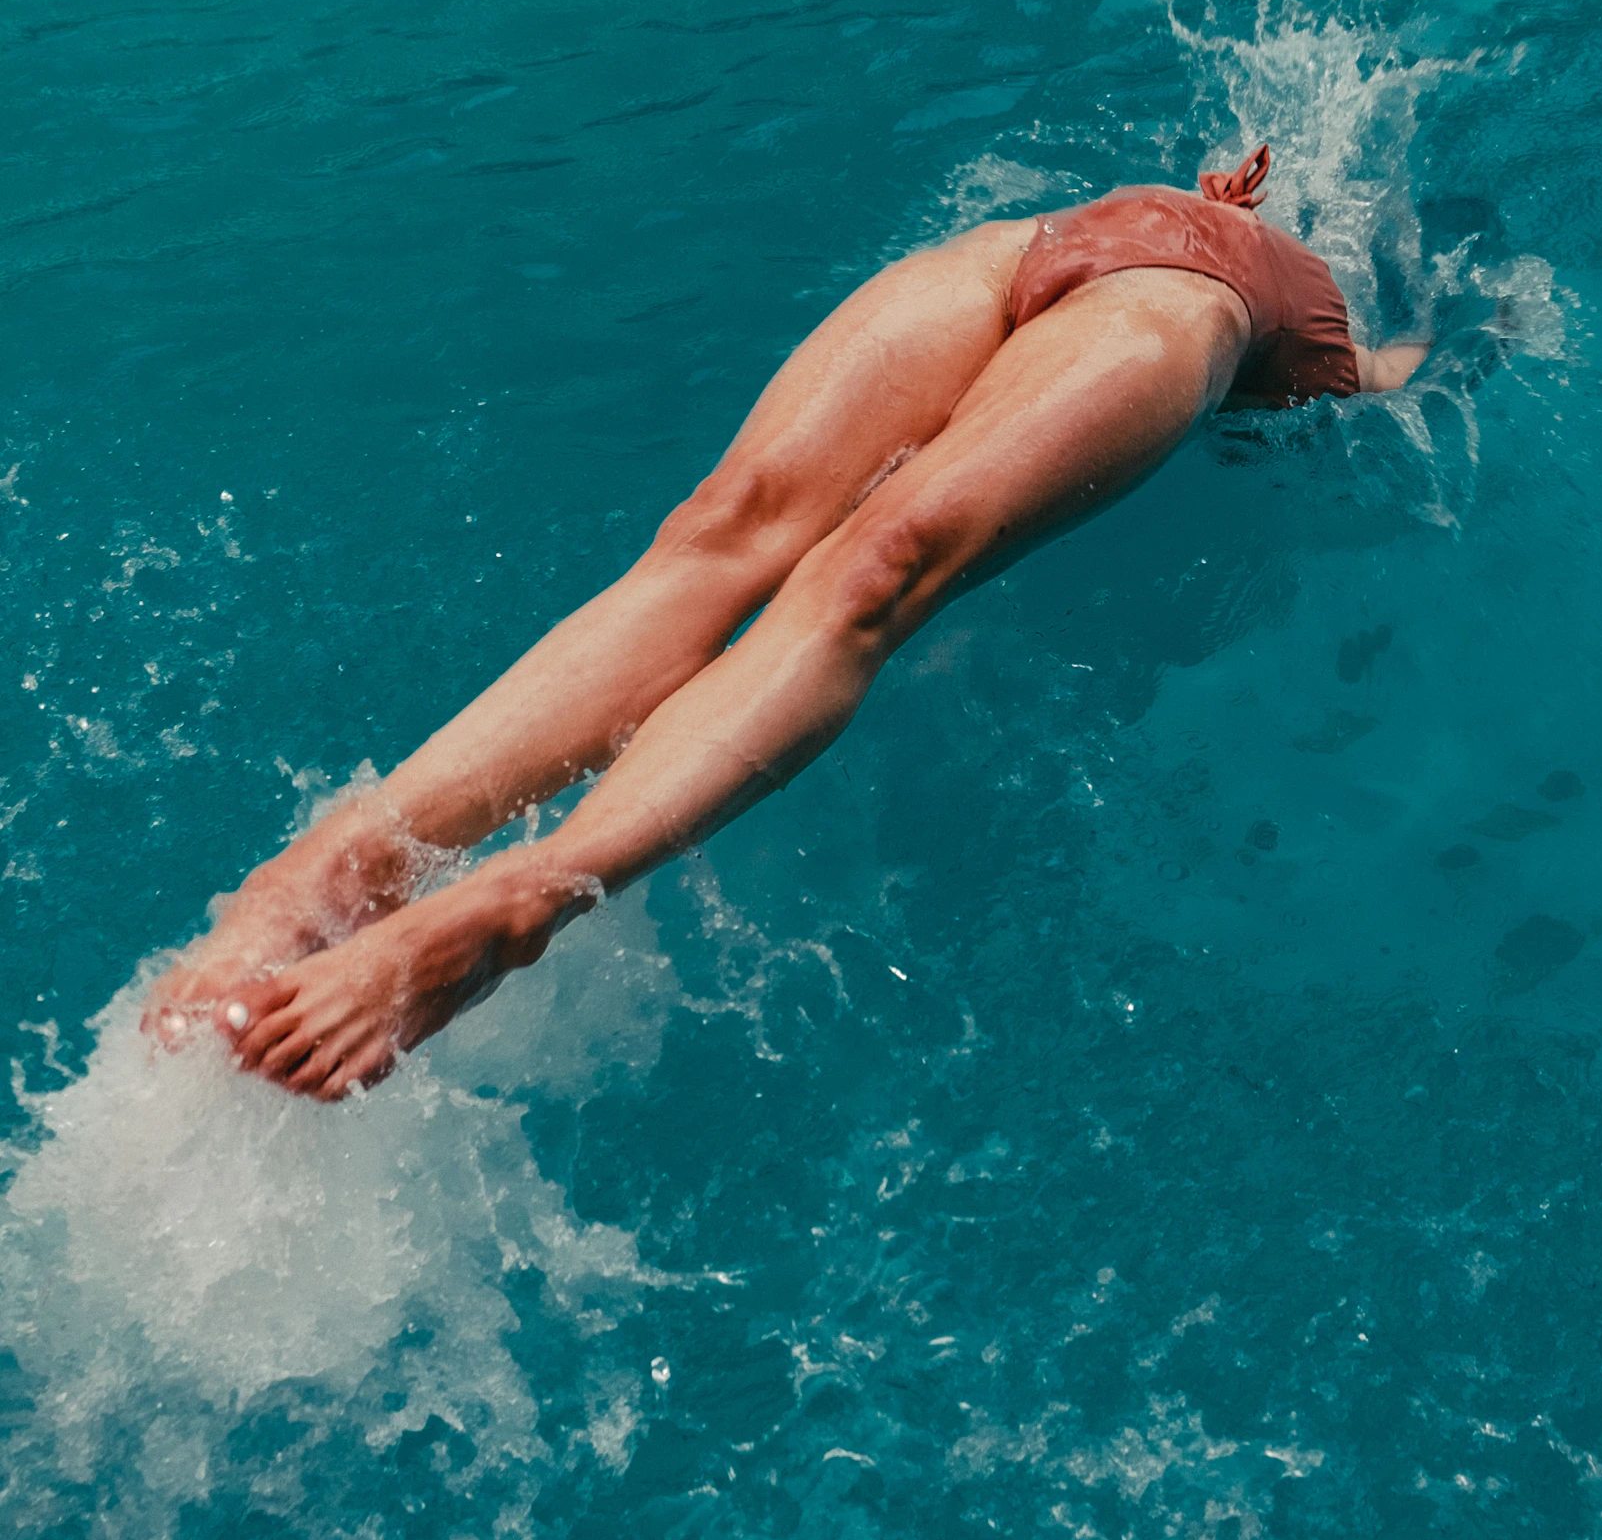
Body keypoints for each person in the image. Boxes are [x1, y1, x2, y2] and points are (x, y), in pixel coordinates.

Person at [145, 146, 1428, 1099]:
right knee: (846, 566)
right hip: (1148, 310)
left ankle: (395, 886)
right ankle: (392, 888)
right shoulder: (1335, 346)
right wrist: (1455, 346)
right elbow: (1397, 376)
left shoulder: (1243, 217)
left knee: (730, 539)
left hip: (1034, 247)